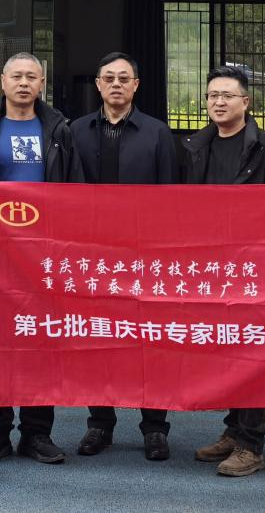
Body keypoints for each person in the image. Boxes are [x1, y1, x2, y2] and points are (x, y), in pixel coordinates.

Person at [182, 64, 265, 478]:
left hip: (256, 267)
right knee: (227, 350)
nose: (218, 102)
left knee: (255, 350)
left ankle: (252, 444)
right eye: (212, 95)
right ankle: (233, 431)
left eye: (227, 95)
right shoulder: (195, 146)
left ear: (246, 102)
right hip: (211, 268)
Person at [0, 52, 83, 466]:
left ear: (42, 83)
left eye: (31, 76)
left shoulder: (59, 129)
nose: (23, 83)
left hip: (45, 253)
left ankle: (37, 432)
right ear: (2, 81)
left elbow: (74, 190)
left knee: (42, 340)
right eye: (16, 76)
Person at [71, 51, 178, 462]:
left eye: (124, 78)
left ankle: (155, 427)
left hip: (144, 254)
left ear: (136, 85)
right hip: (92, 255)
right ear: (98, 85)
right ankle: (100, 422)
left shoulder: (157, 133)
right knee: (98, 339)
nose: (116, 84)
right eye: (109, 78)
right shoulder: (76, 131)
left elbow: (170, 196)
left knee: (150, 341)